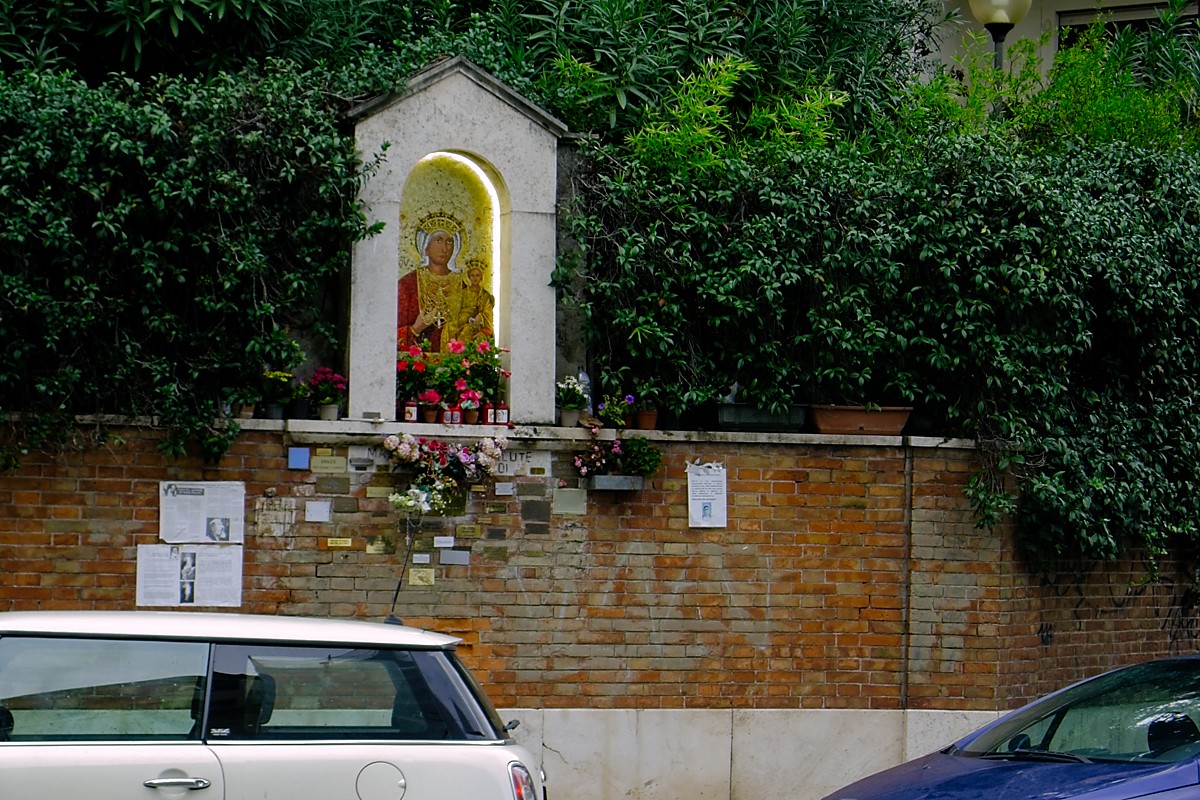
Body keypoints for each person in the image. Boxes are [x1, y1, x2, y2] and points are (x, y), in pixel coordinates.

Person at [398, 213, 469, 353]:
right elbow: (385, 334)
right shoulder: (408, 284)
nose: (444, 248)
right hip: (416, 361)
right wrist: (415, 329)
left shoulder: (462, 286)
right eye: (438, 241)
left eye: (449, 242)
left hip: (452, 360)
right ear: (425, 247)